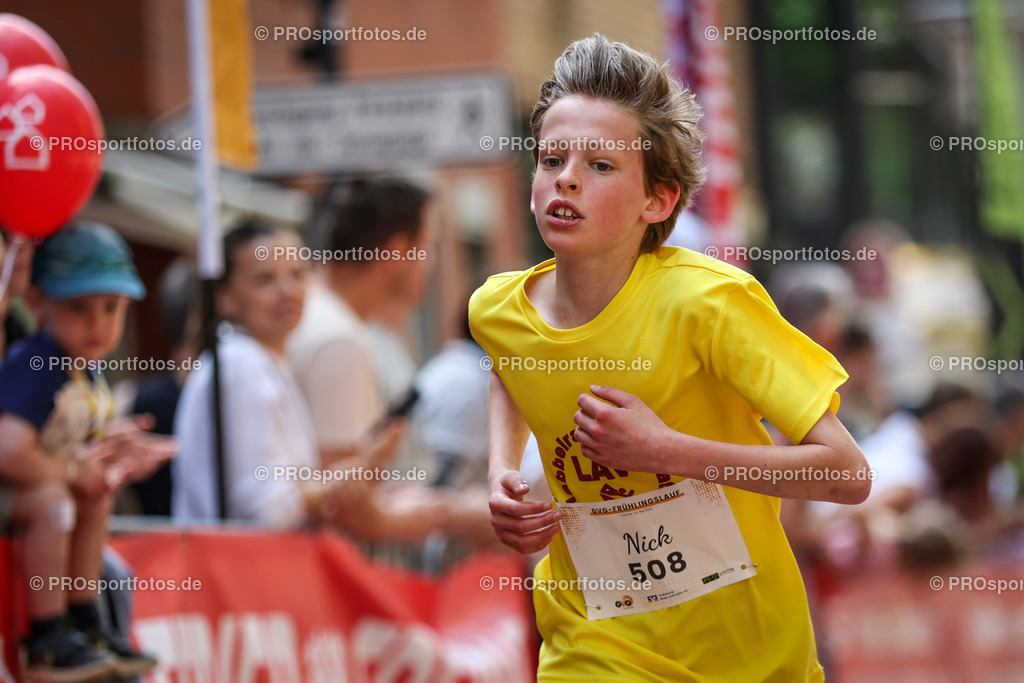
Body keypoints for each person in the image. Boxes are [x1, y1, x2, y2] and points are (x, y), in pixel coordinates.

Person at [469, 35, 871, 681]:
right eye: (551, 159)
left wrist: (666, 452)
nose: (566, 176)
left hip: (749, 654)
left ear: (657, 200)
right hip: (591, 645)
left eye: (601, 165)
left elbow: (848, 475)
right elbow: (511, 364)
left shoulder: (709, 303)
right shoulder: (496, 308)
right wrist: (499, 472)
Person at [0, 222, 175, 681]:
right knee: (56, 502)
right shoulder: (39, 365)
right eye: (79, 308)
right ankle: (46, 634)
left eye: (111, 308)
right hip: (17, 495)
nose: (98, 324)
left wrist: (112, 452)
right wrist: (71, 473)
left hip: (37, 488)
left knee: (99, 495)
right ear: (38, 304)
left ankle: (84, 618)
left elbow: (71, 439)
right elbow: (9, 450)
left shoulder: (84, 370)